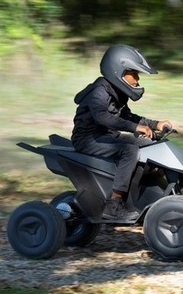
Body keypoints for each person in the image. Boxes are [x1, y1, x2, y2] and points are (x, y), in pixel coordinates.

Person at [71, 44, 173, 221]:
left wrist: (155, 124)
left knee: (150, 145)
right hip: (87, 139)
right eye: (134, 74)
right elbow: (102, 117)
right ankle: (114, 205)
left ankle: (152, 193)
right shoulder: (99, 91)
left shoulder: (117, 92)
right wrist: (135, 128)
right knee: (129, 149)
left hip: (107, 136)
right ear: (118, 71)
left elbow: (128, 116)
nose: (137, 80)